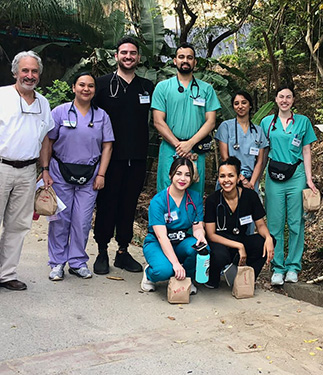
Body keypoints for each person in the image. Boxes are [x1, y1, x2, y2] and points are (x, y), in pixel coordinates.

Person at [0, 51, 54, 297]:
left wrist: (45, 169)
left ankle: (7, 274)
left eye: (34, 71)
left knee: (18, 225)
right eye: (25, 71)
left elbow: (45, 139)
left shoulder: (43, 103)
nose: (30, 76)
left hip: (28, 171)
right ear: (16, 72)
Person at [42, 72, 114, 280]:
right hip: (60, 173)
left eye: (90, 86)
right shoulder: (59, 112)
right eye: (81, 85)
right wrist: (45, 169)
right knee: (60, 220)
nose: (86, 89)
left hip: (89, 176)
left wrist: (101, 174)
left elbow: (107, 146)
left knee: (82, 221)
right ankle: (56, 263)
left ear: (94, 90)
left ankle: (77, 261)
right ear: (73, 87)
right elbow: (48, 142)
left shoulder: (102, 116)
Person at [92, 36, 154, 275]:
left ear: (138, 57)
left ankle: (123, 252)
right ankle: (101, 251)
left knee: (129, 206)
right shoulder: (102, 84)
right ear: (116, 56)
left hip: (137, 158)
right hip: (110, 159)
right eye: (124, 52)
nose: (128, 56)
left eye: (133, 53)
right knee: (107, 204)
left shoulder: (146, 87)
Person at [260, 85, 318, 286]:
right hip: (273, 177)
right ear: (275, 99)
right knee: (275, 224)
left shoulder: (303, 122)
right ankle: (277, 267)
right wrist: (257, 178)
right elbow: (263, 153)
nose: (284, 100)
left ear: (293, 100)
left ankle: (293, 266)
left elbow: (307, 151)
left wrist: (309, 179)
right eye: (281, 97)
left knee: (296, 223)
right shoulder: (267, 122)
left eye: (288, 97)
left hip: (297, 176)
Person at [152, 43, 221, 195]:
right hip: (170, 148)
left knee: (194, 192)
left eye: (190, 58)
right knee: (166, 191)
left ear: (195, 62)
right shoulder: (162, 87)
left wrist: (190, 144)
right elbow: (158, 121)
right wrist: (179, 146)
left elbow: (211, 121)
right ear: (174, 61)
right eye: (181, 57)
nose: (185, 61)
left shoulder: (206, 89)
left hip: (195, 149)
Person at [204, 157, 274, 289]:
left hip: (240, 239)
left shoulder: (250, 196)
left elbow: (260, 225)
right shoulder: (212, 200)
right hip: (220, 243)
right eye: (222, 176)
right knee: (219, 256)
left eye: (231, 176)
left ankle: (246, 279)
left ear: (238, 178)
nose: (226, 180)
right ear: (218, 179)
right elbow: (211, 235)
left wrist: (268, 238)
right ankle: (213, 278)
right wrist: (239, 246)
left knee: (264, 242)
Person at [141, 157, 206, 295]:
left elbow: (197, 226)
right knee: (164, 271)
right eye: (179, 173)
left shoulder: (195, 198)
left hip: (182, 240)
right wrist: (175, 263)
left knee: (199, 248)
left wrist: (200, 236)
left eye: (187, 175)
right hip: (158, 242)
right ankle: (149, 274)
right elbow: (161, 236)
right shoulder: (158, 201)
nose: (183, 178)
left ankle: (186, 279)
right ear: (171, 175)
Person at [215, 91, 267, 193]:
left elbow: (259, 161)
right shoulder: (226, 127)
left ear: (250, 105)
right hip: (229, 178)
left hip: (251, 181)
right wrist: (242, 179)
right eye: (236, 103)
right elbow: (225, 158)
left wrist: (251, 183)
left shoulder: (258, 131)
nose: (240, 106)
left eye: (244, 102)